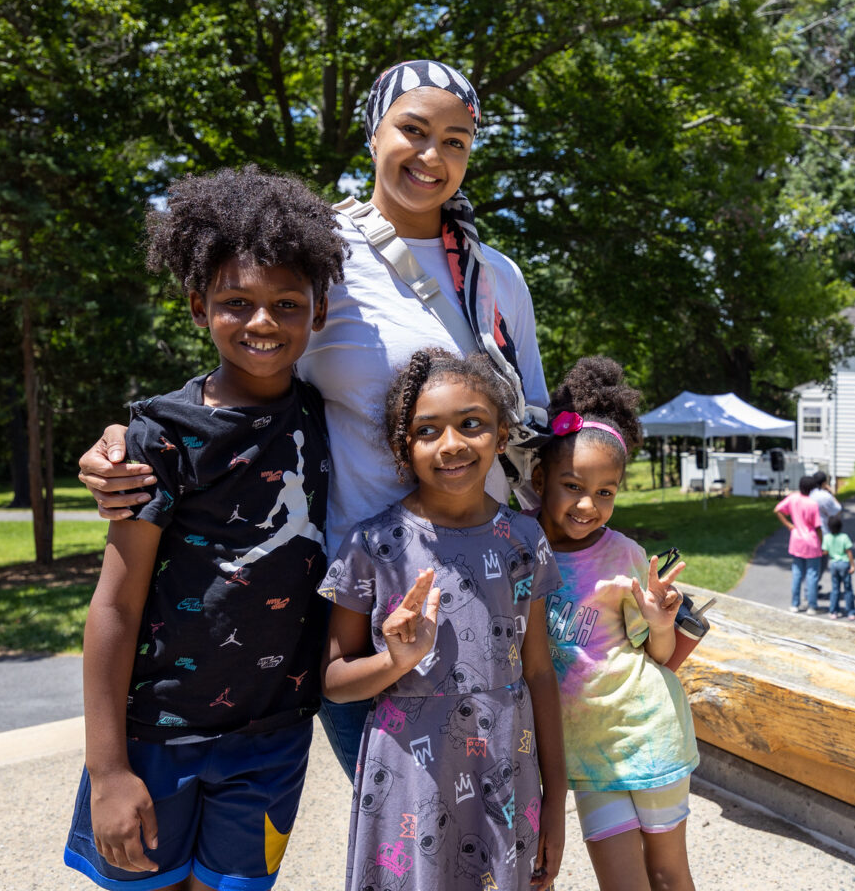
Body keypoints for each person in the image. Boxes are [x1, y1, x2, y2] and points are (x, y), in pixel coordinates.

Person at [76, 59, 548, 778]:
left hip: (481, 586)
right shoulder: (318, 252)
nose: (433, 156)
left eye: (456, 140)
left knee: (487, 818)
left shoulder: (497, 278)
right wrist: (128, 440)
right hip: (358, 599)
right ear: (373, 133)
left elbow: (532, 435)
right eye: (413, 130)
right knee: (403, 822)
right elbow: (250, 360)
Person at [62, 167, 347, 890]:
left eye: (287, 303)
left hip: (274, 735)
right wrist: (109, 769)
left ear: (317, 312)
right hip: (157, 733)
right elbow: (115, 605)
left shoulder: (330, 418)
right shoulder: (164, 434)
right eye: (236, 302)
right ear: (198, 307)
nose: (263, 322)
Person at [317, 347, 565, 891]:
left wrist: (555, 805)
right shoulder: (372, 545)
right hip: (409, 778)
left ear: (501, 437)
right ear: (403, 449)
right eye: (427, 431)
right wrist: (396, 661)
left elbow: (540, 672)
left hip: (506, 769)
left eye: (471, 424)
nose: (451, 444)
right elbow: (333, 684)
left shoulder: (526, 541)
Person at [531, 356, 700, 891]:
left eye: (606, 492)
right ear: (540, 479)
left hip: (649, 733)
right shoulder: (517, 548)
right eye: (573, 485)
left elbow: (655, 653)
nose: (588, 504)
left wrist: (660, 621)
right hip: (586, 755)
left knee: (668, 875)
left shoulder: (624, 553)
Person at [775, 475, 826, 614]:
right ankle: (811, 605)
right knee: (812, 574)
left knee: (797, 573)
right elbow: (817, 527)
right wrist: (822, 544)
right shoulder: (812, 504)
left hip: (796, 539)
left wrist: (789, 525)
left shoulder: (793, 498)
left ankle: (794, 604)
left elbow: (777, 510)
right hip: (811, 541)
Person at [806, 471, 842, 609]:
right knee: (820, 565)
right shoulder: (825, 496)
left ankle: (809, 590)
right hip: (823, 533)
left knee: (808, 566)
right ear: (823, 483)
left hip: (806, 533)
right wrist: (831, 493)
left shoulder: (808, 494)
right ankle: (811, 592)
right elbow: (837, 510)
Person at [822, 514, 855, 621]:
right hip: (844, 563)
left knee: (835, 589)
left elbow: (825, 551)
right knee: (848, 589)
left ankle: (834, 611)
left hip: (834, 563)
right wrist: (852, 565)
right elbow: (849, 551)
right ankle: (851, 612)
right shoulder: (844, 537)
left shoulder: (827, 537)